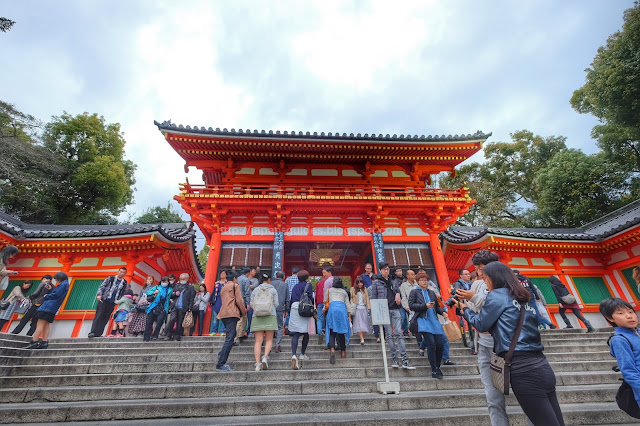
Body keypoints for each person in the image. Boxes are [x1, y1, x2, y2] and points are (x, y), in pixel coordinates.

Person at [460, 261, 564, 426]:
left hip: (521, 368)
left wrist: (466, 310)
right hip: (541, 364)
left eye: (485, 279)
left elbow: (481, 324)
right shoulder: (523, 295)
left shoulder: (498, 295)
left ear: (494, 278)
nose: (485, 284)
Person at [455, 249, 515, 426]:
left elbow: (493, 307)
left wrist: (473, 299)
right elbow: (477, 314)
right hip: (483, 343)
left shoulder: (507, 284)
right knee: (492, 395)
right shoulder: (475, 284)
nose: (479, 272)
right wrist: (466, 304)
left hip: (505, 346)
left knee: (524, 394)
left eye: (482, 268)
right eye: (477, 269)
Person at [371, 262, 415, 370]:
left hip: (395, 308)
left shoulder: (393, 280)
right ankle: (395, 359)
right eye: (384, 269)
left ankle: (405, 361)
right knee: (389, 335)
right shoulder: (376, 283)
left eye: (387, 269)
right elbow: (374, 298)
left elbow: (398, 291)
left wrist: (398, 294)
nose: (386, 271)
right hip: (384, 310)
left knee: (399, 333)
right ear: (380, 270)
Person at [599, 297, 640, 410]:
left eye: (631, 312)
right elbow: (629, 371)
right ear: (610, 318)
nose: (629, 316)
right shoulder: (620, 340)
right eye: (621, 313)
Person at [409, 272, 445, 379]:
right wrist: (424, 306)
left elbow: (437, 307)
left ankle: (438, 366)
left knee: (440, 344)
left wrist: (443, 312)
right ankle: (434, 370)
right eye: (422, 280)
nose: (424, 282)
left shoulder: (432, 293)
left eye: (425, 280)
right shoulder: (414, 292)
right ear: (418, 282)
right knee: (431, 344)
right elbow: (411, 305)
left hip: (433, 320)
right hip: (422, 320)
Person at [26, 272, 70, 349]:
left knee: (39, 325)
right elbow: (57, 293)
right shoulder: (65, 285)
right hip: (52, 308)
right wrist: (50, 290)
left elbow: (56, 295)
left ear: (60, 278)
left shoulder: (63, 285)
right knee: (46, 325)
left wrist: (46, 295)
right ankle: (44, 342)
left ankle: (34, 341)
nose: (56, 281)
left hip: (47, 307)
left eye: (56, 279)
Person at [216, 270, 247, 371]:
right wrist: (243, 311)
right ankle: (221, 363)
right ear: (234, 278)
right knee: (230, 337)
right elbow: (239, 300)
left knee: (231, 335)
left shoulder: (224, 287)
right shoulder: (235, 286)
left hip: (224, 313)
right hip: (231, 313)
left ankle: (221, 354)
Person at [88, 267, 129, 338]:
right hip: (104, 299)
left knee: (106, 317)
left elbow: (122, 292)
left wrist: (118, 300)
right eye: (120, 271)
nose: (121, 273)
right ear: (118, 271)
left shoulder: (124, 282)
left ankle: (99, 333)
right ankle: (92, 332)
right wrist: (99, 294)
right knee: (99, 316)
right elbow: (102, 286)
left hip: (112, 302)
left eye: (123, 272)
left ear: (125, 274)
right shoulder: (111, 278)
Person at [250, 272, 279, 371]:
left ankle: (258, 364)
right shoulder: (273, 290)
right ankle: (265, 357)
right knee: (269, 340)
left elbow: (251, 304)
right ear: (269, 279)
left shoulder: (255, 290)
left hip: (257, 316)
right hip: (270, 315)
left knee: (258, 341)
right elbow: (276, 304)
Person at [289, 269, 314, 370]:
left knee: (295, 333)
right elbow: (311, 298)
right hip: (304, 308)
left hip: (295, 308)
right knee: (305, 332)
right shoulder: (308, 285)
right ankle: (302, 354)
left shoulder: (295, 287)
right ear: (307, 277)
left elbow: (291, 299)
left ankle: (294, 354)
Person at [323, 277, 352, 364]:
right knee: (341, 332)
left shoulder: (329, 290)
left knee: (332, 331)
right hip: (342, 310)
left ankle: (332, 349)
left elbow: (325, 301)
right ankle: (343, 352)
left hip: (332, 309)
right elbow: (348, 305)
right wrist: (349, 316)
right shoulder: (344, 291)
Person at [450, 269, 475, 353]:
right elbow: (458, 293)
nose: (468, 275)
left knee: (473, 326)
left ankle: (474, 344)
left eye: (469, 274)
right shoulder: (458, 283)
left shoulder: (471, 284)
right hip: (462, 305)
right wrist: (461, 307)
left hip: (472, 306)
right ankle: (467, 343)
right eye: (466, 274)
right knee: (465, 325)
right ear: (461, 276)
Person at [165, 273, 195, 341]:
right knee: (172, 319)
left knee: (180, 322)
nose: (182, 280)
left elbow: (191, 298)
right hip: (175, 305)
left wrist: (190, 307)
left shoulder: (190, 288)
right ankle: (169, 333)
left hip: (183, 306)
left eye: (183, 279)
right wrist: (175, 294)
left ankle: (177, 335)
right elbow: (171, 295)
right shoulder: (176, 286)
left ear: (187, 279)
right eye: (181, 279)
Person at [143, 277, 172, 342]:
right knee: (149, 322)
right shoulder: (156, 287)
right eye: (163, 281)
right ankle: (146, 337)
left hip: (163, 307)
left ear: (168, 282)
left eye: (166, 282)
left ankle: (155, 335)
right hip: (153, 306)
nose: (164, 283)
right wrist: (154, 293)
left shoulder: (170, 290)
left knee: (160, 321)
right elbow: (147, 292)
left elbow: (169, 298)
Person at [271, 271, 290, 353]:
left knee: (270, 326)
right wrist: (287, 310)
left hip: (270, 307)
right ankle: (277, 345)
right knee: (279, 326)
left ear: (276, 276)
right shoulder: (285, 285)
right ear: (284, 277)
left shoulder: (271, 284)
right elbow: (287, 299)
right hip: (280, 307)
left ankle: (269, 344)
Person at [361, 262, 379, 342]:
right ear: (365, 269)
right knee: (370, 315)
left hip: (378, 298)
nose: (369, 270)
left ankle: (380, 333)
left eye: (370, 268)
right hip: (368, 297)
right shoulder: (363, 276)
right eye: (367, 268)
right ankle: (373, 331)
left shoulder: (376, 276)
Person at [236, 267, 255, 343]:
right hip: (243, 301)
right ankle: (238, 336)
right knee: (242, 319)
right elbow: (247, 292)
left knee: (239, 319)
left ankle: (240, 334)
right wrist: (248, 303)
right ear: (248, 273)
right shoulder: (246, 280)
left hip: (236, 301)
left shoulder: (237, 279)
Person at [351, 276, 371, 345]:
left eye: (361, 283)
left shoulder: (365, 289)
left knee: (365, 324)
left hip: (364, 308)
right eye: (358, 283)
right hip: (357, 308)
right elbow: (351, 298)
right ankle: (362, 339)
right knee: (359, 324)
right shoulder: (353, 289)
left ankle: (363, 336)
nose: (360, 284)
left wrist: (369, 307)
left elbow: (367, 298)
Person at [316, 266, 332, 345]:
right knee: (328, 318)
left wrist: (316, 304)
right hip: (329, 302)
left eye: (324, 273)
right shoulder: (333, 281)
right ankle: (328, 335)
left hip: (320, 302)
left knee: (320, 318)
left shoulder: (319, 283)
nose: (323, 275)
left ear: (329, 272)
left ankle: (320, 332)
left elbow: (316, 294)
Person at [209, 270, 226, 335]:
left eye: (224, 273)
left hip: (224, 302)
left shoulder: (227, 284)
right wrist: (211, 300)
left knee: (223, 317)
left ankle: (222, 331)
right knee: (215, 318)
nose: (222, 275)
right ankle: (213, 331)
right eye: (221, 273)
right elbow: (213, 292)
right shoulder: (217, 284)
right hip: (216, 301)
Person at [284, 267, 300, 332]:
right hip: (296, 299)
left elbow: (285, 288)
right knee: (296, 313)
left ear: (292, 273)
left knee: (288, 313)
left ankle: (287, 325)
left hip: (288, 298)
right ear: (298, 273)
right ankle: (295, 328)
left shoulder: (287, 279)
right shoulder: (299, 280)